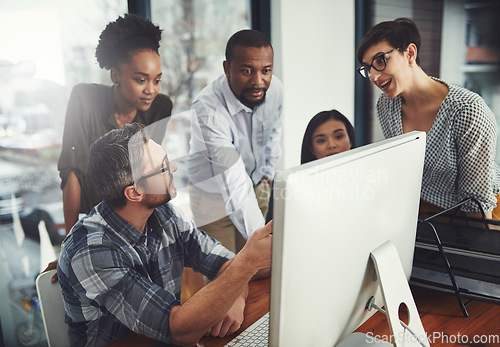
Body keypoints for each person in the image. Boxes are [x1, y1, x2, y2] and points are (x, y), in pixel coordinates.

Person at [57, 123, 272, 347]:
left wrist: (236, 297)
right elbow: (178, 329)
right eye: (163, 167)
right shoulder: (92, 251)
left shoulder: (164, 214)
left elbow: (227, 264)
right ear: (135, 192)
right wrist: (247, 263)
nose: (175, 167)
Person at [356, 17, 500, 219]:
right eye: (367, 68)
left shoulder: (468, 111)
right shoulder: (386, 105)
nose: (373, 76)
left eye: (380, 61)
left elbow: (476, 204)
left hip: (480, 217)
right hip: (426, 212)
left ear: (410, 54)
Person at [57, 13, 173, 235]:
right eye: (141, 80)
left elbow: (148, 175)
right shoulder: (84, 99)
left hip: (134, 221)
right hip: (91, 220)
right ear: (115, 76)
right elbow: (71, 172)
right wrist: (70, 242)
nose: (151, 89)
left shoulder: (161, 107)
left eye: (157, 80)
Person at [188, 29, 283, 253]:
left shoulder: (275, 89)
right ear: (227, 69)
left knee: (257, 273)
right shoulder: (208, 109)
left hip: (256, 182)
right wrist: (263, 244)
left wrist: (267, 171)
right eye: (247, 71)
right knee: (227, 274)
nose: (258, 81)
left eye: (266, 70)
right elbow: (232, 178)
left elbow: (274, 132)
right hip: (212, 199)